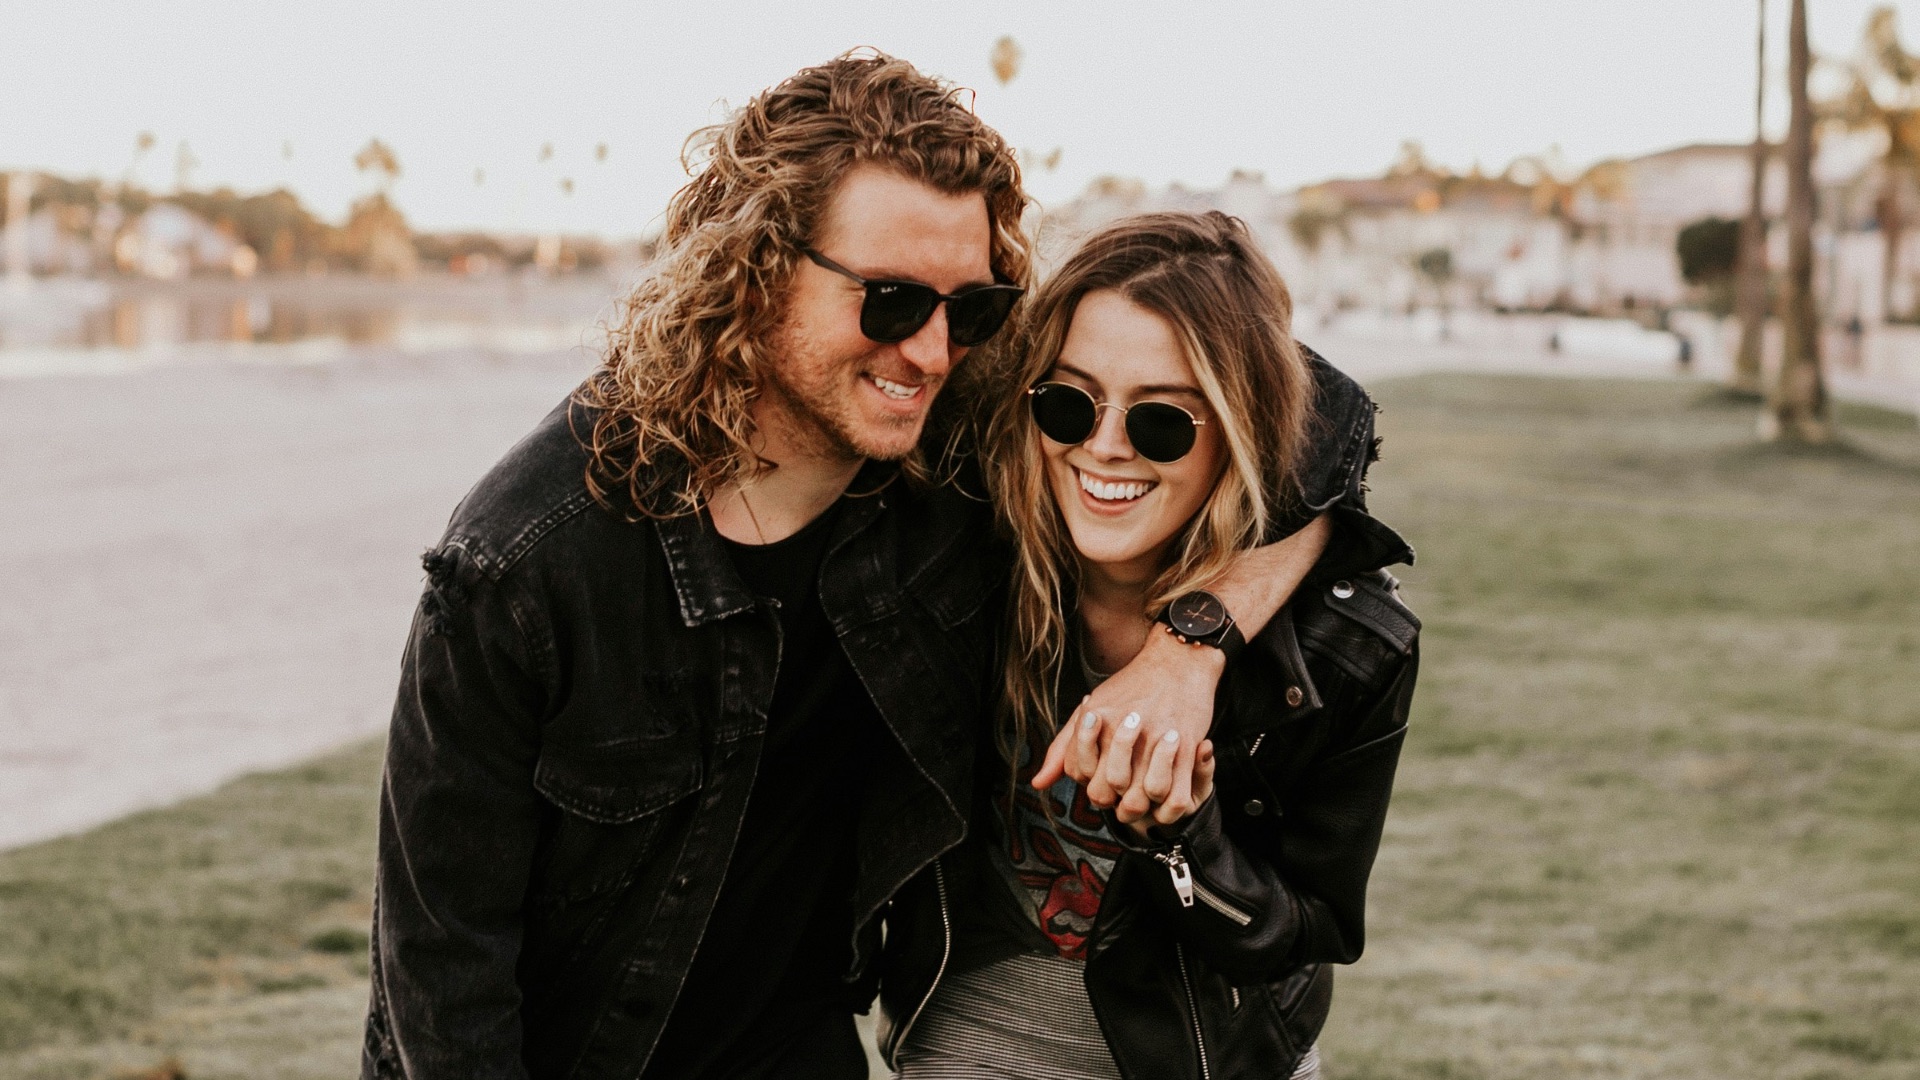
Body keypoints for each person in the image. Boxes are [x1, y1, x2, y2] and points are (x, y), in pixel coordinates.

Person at [362, 55, 1367, 1080]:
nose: (930, 352)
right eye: (890, 301)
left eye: (969, 310)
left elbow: (1324, 429)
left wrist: (1189, 652)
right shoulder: (527, 563)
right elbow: (441, 976)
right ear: (755, 269)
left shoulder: (940, 460)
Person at [879, 211, 1420, 1080]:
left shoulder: (1345, 646)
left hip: (1213, 1058)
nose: (1102, 447)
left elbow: (1307, 930)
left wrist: (1180, 834)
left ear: (1239, 428)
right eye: (1068, 402)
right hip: (977, 1031)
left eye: (1161, 420)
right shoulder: (972, 546)